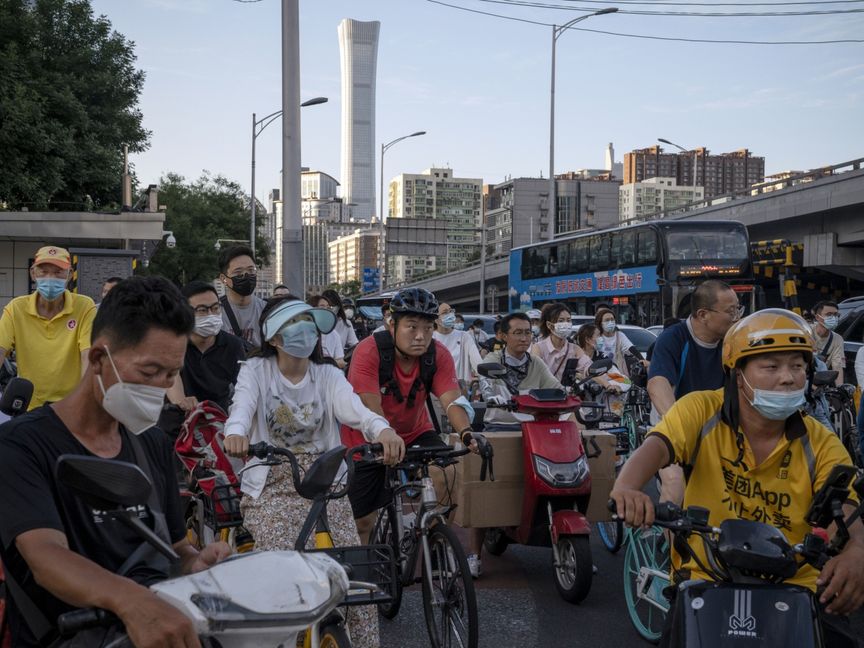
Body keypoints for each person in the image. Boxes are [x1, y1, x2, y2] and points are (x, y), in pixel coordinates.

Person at [610, 309, 864, 647]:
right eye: (771, 367)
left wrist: (856, 551)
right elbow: (657, 447)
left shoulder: (820, 441)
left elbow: (845, 506)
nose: (787, 378)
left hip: (799, 585)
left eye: (798, 366)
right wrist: (627, 486)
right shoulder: (700, 410)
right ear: (737, 374)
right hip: (707, 575)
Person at [0, 276, 230, 648]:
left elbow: (173, 547)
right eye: (148, 372)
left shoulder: (152, 443)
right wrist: (132, 602)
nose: (160, 387)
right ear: (97, 358)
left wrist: (195, 562)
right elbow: (45, 555)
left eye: (171, 374)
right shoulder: (21, 445)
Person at [222, 297, 404, 648]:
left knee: (349, 578)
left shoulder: (328, 374)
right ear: (274, 337)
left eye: (309, 321)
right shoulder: (255, 371)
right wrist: (236, 433)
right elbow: (241, 408)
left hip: (326, 483)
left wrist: (383, 431)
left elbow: (356, 410)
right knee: (280, 575)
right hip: (273, 482)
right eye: (295, 323)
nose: (306, 330)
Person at [341, 288, 479, 547]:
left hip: (415, 431)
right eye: (412, 327)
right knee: (363, 523)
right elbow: (369, 407)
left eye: (428, 328)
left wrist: (467, 433)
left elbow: (452, 400)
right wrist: (387, 437)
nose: (421, 336)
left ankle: (432, 540)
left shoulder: (437, 354)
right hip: (365, 437)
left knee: (447, 472)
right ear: (391, 324)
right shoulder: (368, 351)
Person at [647, 281, 742, 505]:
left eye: (738, 309)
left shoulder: (733, 343)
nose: (736, 317)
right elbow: (658, 384)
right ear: (703, 314)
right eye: (731, 311)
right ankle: (672, 539)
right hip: (673, 428)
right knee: (675, 484)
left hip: (718, 431)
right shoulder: (674, 338)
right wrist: (680, 425)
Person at [0, 246, 97, 409]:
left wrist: (86, 399)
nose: (50, 278)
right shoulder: (16, 308)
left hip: (71, 407)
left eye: (58, 271)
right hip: (29, 405)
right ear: (33, 273)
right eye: (43, 271)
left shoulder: (84, 306)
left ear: (70, 274)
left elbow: (88, 355)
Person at [166, 281, 246, 413]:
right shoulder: (173, 342)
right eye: (202, 310)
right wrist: (181, 401)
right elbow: (172, 377)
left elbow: (244, 386)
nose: (211, 315)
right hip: (179, 421)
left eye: (215, 308)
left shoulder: (233, 345)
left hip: (219, 422)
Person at [218, 244, 266, 348]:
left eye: (251, 270)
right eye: (238, 272)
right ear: (224, 279)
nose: (246, 275)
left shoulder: (267, 310)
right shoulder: (215, 311)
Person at [529, 302, 586, 382]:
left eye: (568, 320)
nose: (566, 324)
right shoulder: (538, 348)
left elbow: (588, 367)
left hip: (569, 393)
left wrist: (607, 385)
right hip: (546, 392)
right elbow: (534, 373)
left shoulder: (575, 349)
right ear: (549, 325)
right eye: (561, 321)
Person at [433, 302, 482, 388]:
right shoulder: (430, 338)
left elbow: (477, 361)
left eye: (451, 311)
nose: (450, 315)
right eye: (445, 312)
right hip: (435, 390)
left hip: (460, 390)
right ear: (436, 319)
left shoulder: (464, 337)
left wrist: (482, 373)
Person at [594, 307, 645, 379]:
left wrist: (642, 360)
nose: (610, 322)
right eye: (607, 320)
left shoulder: (619, 335)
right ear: (600, 323)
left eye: (612, 319)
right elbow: (595, 353)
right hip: (601, 374)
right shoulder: (597, 337)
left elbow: (631, 348)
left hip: (618, 374)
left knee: (626, 385)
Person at [811, 301, 845, 385]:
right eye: (829, 314)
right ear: (818, 317)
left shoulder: (838, 339)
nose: (833, 318)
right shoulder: (806, 332)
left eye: (836, 315)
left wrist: (839, 389)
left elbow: (837, 367)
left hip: (820, 383)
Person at [308, 295, 346, 367]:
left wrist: (326, 363)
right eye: (322, 306)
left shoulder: (333, 334)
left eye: (328, 307)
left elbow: (341, 362)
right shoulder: (304, 332)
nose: (326, 310)